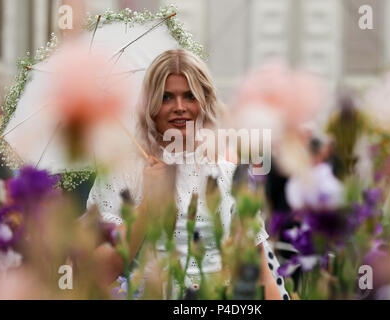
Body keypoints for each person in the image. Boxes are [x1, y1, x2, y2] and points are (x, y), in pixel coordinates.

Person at [87, 49, 288, 299]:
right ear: (150, 104)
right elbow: (100, 272)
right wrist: (148, 204)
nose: (179, 107)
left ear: (205, 102)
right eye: (166, 97)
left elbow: (258, 269)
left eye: (190, 96)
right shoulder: (123, 171)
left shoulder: (227, 172)